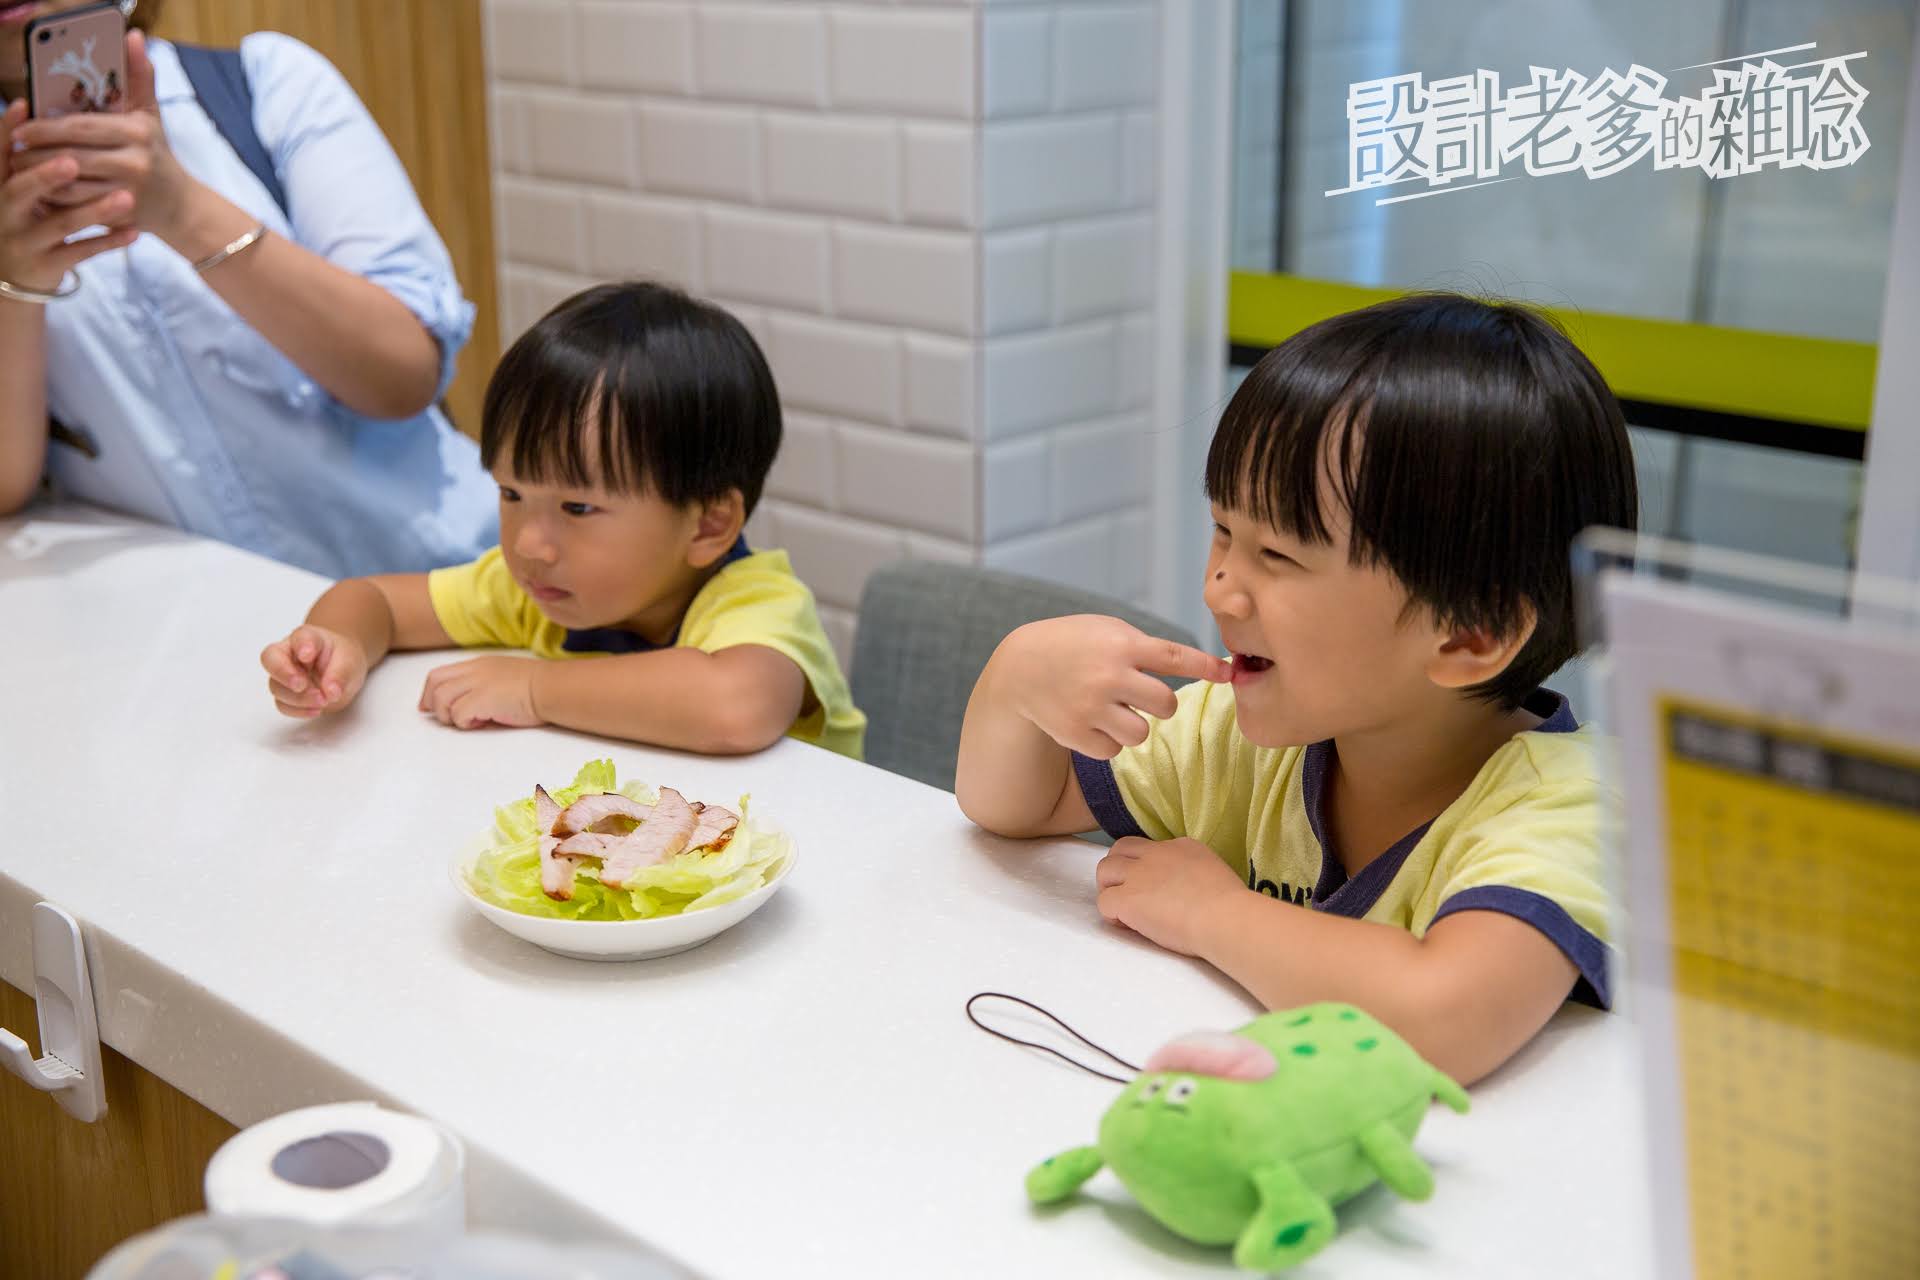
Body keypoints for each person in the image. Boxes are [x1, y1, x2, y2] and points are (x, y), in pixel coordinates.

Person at [955, 293, 1639, 1086]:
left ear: (1468, 637)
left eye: (1277, 554)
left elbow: (1443, 1020)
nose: (1219, 590)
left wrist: (1214, 915)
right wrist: (1017, 678)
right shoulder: (1242, 735)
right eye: (1222, 530)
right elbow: (1013, 807)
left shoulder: (1575, 804)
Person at [259, 281, 866, 760]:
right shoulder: (537, 589)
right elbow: (376, 600)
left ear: (708, 525)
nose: (530, 544)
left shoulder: (757, 603)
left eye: (578, 508)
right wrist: (337, 646)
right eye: (512, 493)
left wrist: (532, 689)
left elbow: (735, 706)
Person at [0, 1, 495, 576]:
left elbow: (404, 375)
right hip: (210, 624)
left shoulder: (263, 85)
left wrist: (181, 210)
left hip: (445, 591)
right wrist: (18, 284)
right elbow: (7, 486)